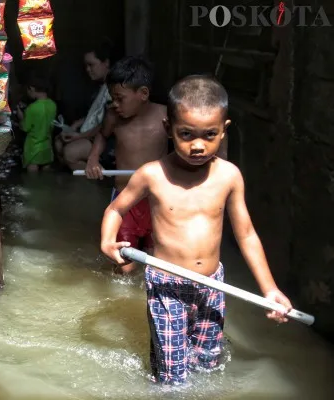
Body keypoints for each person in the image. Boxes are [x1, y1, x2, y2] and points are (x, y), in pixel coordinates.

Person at [100, 75, 293, 385]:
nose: (198, 145)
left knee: (207, 364)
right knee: (173, 376)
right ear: (168, 129)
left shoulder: (229, 176)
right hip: (167, 285)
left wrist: (269, 289)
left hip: (212, 285)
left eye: (210, 135)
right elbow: (115, 209)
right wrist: (108, 240)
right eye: (186, 134)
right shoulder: (152, 174)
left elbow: (246, 235)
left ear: (224, 131)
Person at [85, 56, 169, 274]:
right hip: (124, 199)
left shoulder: (166, 116)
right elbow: (102, 137)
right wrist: (93, 159)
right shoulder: (113, 116)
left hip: (157, 201)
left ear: (143, 94)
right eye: (113, 98)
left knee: (157, 261)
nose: (115, 104)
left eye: (120, 98)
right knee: (123, 265)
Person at [55, 39, 114, 171]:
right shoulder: (100, 87)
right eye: (85, 66)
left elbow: (108, 123)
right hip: (90, 133)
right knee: (59, 142)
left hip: (106, 140)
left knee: (70, 152)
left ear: (106, 63)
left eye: (91, 65)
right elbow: (96, 114)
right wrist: (75, 125)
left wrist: (80, 136)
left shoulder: (114, 89)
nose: (88, 70)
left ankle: (98, 184)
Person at [17, 74, 57, 172]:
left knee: (32, 182)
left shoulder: (32, 108)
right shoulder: (53, 105)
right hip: (47, 148)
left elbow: (25, 128)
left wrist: (21, 117)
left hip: (33, 150)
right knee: (46, 181)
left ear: (32, 89)